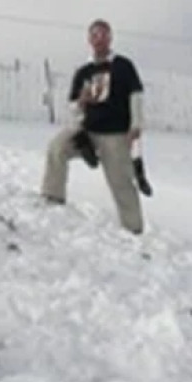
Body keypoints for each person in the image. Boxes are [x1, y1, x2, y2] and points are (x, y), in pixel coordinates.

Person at [41, 19, 146, 235]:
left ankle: (133, 229)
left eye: (104, 35)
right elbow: (73, 108)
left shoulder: (123, 65)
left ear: (110, 38)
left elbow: (136, 96)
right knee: (57, 148)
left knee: (121, 181)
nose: (99, 39)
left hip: (115, 134)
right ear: (89, 40)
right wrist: (81, 101)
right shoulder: (84, 71)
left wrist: (136, 125)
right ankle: (53, 197)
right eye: (95, 35)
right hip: (87, 130)